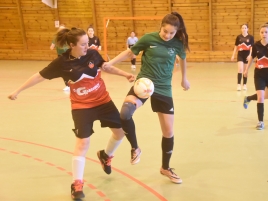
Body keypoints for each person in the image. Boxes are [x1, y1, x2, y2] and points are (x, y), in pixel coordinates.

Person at [8, 27, 135, 200]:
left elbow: (106, 67)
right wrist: (18, 90)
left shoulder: (93, 54)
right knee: (83, 143)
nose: (87, 46)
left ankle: (106, 155)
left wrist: (125, 74)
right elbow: (39, 76)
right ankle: (77, 183)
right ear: (72, 45)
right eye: (83, 44)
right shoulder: (61, 63)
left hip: (103, 101)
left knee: (120, 132)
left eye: (87, 43)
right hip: (82, 106)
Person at [103, 12, 190, 184]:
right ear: (161, 26)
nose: (168, 35)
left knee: (168, 132)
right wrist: (110, 63)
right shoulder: (148, 39)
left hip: (164, 89)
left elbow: (183, 59)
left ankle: (165, 167)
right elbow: (129, 53)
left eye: (172, 33)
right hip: (143, 84)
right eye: (165, 31)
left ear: (176, 31)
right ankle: (135, 148)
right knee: (125, 114)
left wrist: (184, 78)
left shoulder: (178, 43)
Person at [231, 24, 254, 91]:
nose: (244, 29)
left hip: (247, 54)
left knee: (245, 71)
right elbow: (236, 47)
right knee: (240, 69)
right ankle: (238, 84)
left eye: (245, 28)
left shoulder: (250, 37)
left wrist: (250, 55)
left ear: (247, 29)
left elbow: (252, 47)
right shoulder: (238, 37)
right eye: (242, 28)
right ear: (241, 29)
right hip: (240, 54)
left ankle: (244, 84)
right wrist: (233, 55)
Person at [50, 24, 70, 91]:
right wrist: (53, 45)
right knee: (63, 71)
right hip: (61, 57)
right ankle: (67, 85)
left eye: (62, 29)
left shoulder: (67, 37)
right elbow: (51, 47)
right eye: (60, 29)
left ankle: (71, 83)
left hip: (68, 55)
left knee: (69, 70)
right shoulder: (56, 38)